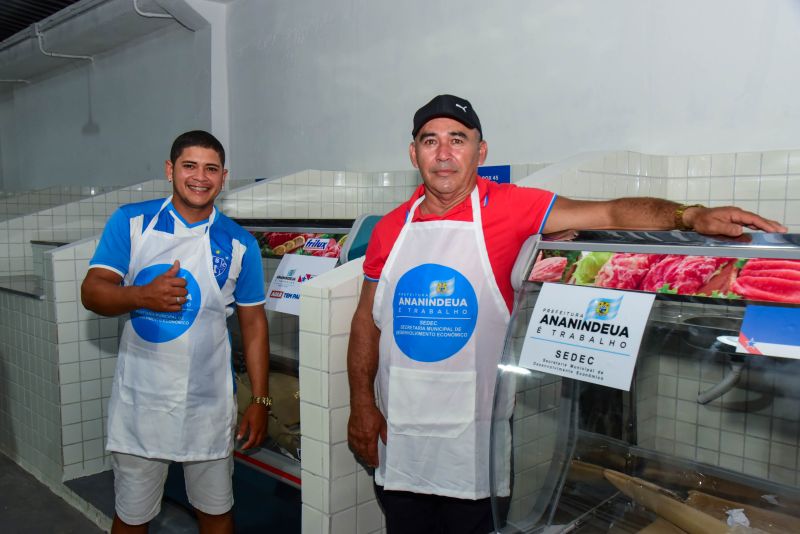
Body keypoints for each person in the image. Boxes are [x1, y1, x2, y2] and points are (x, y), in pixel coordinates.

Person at [346, 94, 787, 534]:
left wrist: (689, 216)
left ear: (480, 152)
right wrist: (362, 405)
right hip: (399, 439)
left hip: (472, 447)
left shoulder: (513, 207)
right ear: (413, 153)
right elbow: (367, 321)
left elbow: (613, 211)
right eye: (430, 141)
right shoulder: (390, 229)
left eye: (457, 139)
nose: (443, 154)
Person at [81, 130, 270, 534]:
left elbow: (254, 324)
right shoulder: (132, 223)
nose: (200, 177)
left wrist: (260, 398)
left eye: (211, 168)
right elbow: (93, 292)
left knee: (216, 513)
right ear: (170, 170)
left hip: (208, 404)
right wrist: (141, 296)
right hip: (142, 402)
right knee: (132, 516)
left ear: (223, 176)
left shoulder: (239, 243)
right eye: (189, 166)